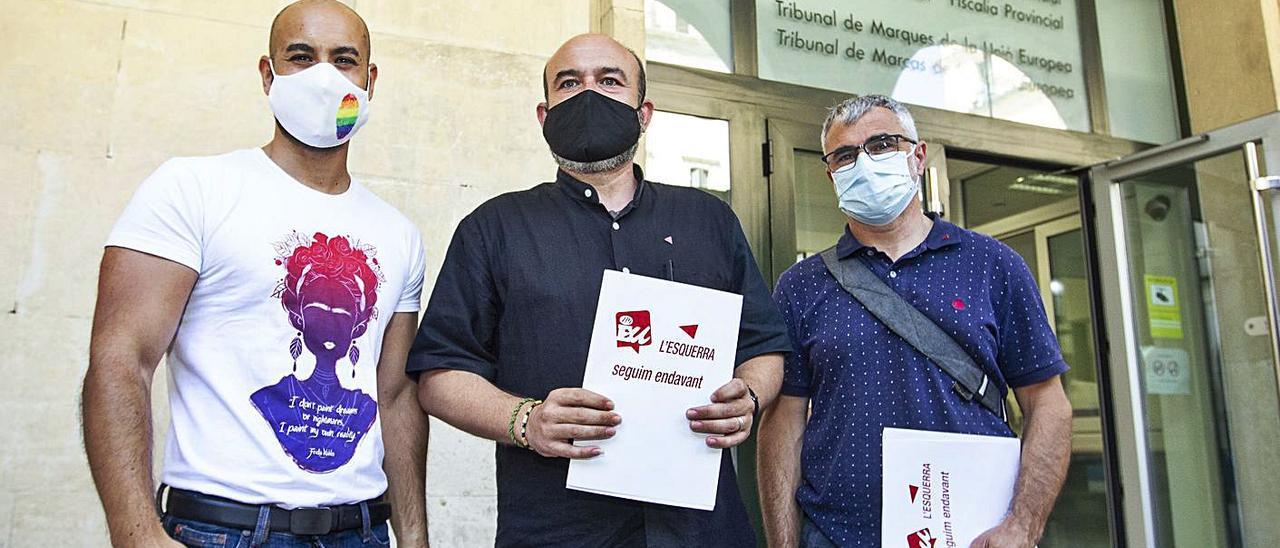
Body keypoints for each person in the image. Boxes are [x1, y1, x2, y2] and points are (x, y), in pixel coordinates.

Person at [407, 33, 790, 547]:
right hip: (557, 531)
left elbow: (764, 348)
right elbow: (440, 373)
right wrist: (526, 420)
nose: (589, 94)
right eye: (570, 83)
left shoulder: (709, 220)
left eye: (609, 80)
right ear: (544, 115)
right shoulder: (493, 228)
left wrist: (747, 397)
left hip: (704, 531)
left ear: (643, 112)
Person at [81, 1, 429, 546]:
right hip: (223, 529)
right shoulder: (192, 189)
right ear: (268, 75)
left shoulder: (400, 234)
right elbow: (121, 358)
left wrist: (413, 535)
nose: (323, 75)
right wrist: (136, 534)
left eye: (343, 59)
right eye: (300, 56)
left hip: (360, 530)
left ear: (369, 79)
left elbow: (396, 394)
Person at [758, 94, 1073, 548]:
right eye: (846, 155)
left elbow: (1048, 404)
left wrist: (1024, 525)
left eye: (883, 144)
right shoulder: (802, 286)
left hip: (970, 534)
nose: (864, 162)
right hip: (836, 536)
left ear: (918, 156)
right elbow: (783, 424)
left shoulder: (992, 265)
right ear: (831, 175)